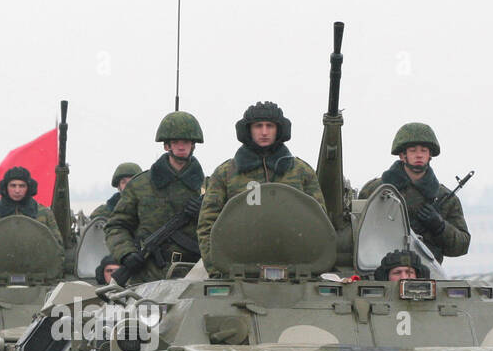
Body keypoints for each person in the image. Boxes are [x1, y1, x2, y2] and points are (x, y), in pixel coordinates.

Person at [197, 101, 328, 260]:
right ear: (248, 130)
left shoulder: (301, 172)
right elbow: (207, 225)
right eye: (258, 126)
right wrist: (216, 268)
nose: (264, 132)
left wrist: (312, 266)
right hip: (238, 265)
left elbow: (319, 222)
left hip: (294, 265)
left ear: (279, 129)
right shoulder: (226, 173)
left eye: (270, 126)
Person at [106, 111, 206, 285]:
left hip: (195, 277)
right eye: (175, 142)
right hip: (148, 276)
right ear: (167, 145)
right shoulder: (140, 186)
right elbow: (116, 226)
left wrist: (204, 212)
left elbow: (223, 231)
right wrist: (127, 253)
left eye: (186, 142)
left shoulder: (208, 189)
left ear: (193, 145)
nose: (181, 147)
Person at [358, 122, 470, 263]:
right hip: (380, 268)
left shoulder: (444, 197)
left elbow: (462, 245)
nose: (419, 155)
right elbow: (356, 233)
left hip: (428, 271)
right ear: (402, 155)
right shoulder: (375, 190)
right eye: (413, 150)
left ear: (430, 155)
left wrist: (440, 227)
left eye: (424, 150)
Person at [0, 167, 58, 244]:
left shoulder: (44, 214)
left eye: (22, 186)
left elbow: (57, 248)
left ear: (28, 188)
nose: (17, 190)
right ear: (6, 187)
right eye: (13, 186)